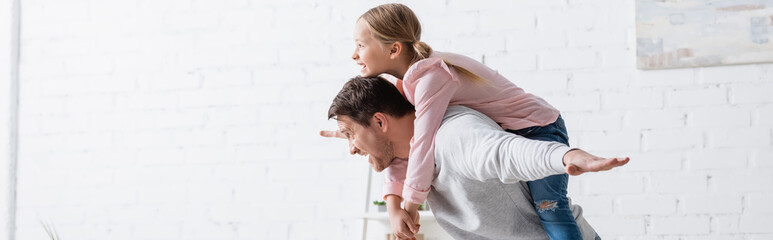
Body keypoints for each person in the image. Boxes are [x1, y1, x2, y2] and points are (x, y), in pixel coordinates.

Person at [341, 3, 589, 238]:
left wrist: (412, 205)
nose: (354, 54)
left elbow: (422, 142)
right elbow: (402, 145)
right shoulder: (405, 84)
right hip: (514, 130)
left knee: (550, 208)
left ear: (394, 49)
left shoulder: (430, 78)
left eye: (361, 45)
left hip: (537, 126)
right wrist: (394, 206)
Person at [326, 76, 629, 240]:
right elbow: (388, 163)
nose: (351, 148)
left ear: (380, 122)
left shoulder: (454, 135)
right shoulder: (406, 155)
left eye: (349, 133)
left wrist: (565, 156)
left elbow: (504, 152)